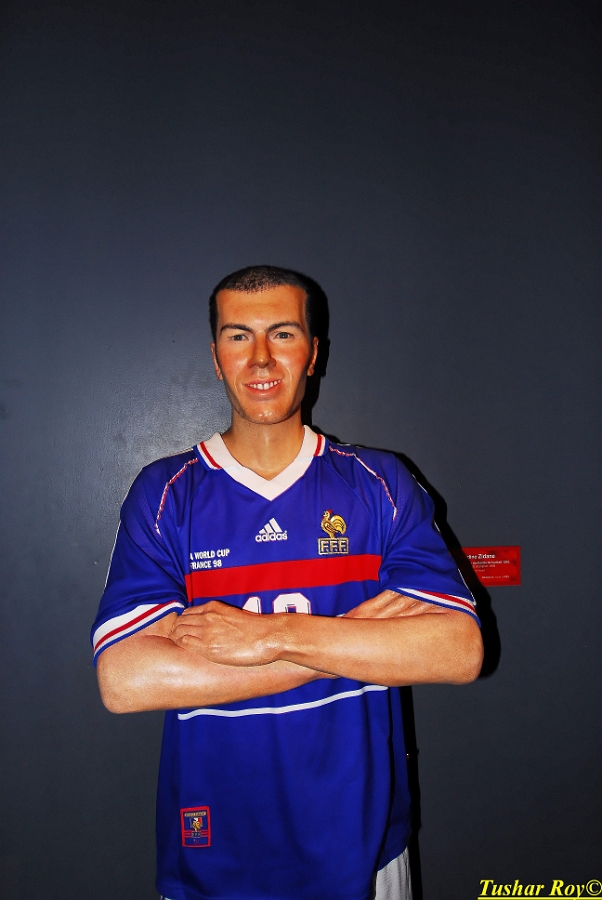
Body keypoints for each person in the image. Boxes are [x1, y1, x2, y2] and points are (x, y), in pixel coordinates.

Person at [92, 265, 483, 900]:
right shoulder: (165, 494)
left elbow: (458, 650)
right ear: (216, 358)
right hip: (215, 851)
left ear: (313, 353)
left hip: (365, 844)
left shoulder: (380, 484)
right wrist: (347, 643)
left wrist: (272, 636)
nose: (261, 358)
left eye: (282, 333)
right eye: (238, 336)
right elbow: (126, 680)